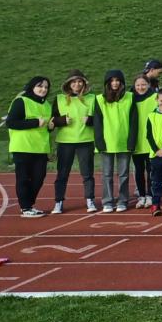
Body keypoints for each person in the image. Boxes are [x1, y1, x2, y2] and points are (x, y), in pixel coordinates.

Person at [51, 70, 97, 214]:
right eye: (73, 82)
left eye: (79, 81)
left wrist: (90, 120)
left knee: (87, 173)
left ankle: (90, 200)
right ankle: (58, 202)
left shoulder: (92, 98)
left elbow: (100, 119)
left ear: (84, 83)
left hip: (86, 140)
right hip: (65, 141)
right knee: (62, 174)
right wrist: (62, 120)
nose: (77, 84)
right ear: (68, 84)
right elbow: (52, 120)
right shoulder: (59, 99)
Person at [92, 69, 138, 213]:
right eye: (112, 80)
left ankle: (122, 201)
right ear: (107, 83)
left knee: (124, 174)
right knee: (107, 174)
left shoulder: (130, 97)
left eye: (117, 80)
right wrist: (99, 141)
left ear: (122, 82)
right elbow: (97, 122)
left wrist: (132, 141)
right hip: (107, 142)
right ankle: (107, 201)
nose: (115, 83)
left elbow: (134, 121)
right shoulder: (99, 99)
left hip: (124, 142)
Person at [7, 76, 53, 218]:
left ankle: (28, 205)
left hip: (40, 148)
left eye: (46, 87)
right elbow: (11, 123)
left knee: (39, 178)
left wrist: (50, 127)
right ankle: (26, 207)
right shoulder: (21, 101)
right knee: (23, 179)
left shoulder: (47, 105)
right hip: (22, 147)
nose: (43, 89)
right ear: (32, 87)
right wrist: (34, 122)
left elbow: (44, 126)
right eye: (40, 86)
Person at [130, 75, 157, 209]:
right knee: (139, 170)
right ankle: (141, 196)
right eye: (138, 85)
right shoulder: (130, 99)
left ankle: (150, 195)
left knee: (151, 170)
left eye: (143, 84)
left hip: (151, 141)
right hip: (136, 141)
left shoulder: (155, 98)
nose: (141, 87)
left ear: (148, 85)